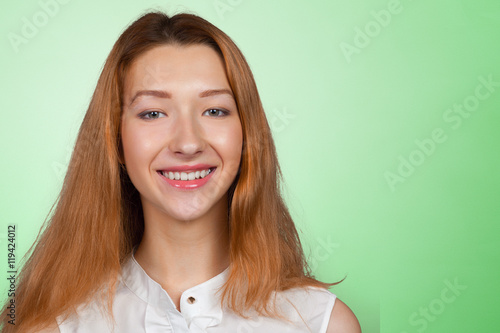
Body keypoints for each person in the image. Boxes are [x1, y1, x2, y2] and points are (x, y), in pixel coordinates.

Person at [1, 12, 361, 333]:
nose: (188, 144)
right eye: (153, 113)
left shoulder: (322, 323)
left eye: (215, 111)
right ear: (117, 141)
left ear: (247, 136)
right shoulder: (54, 326)